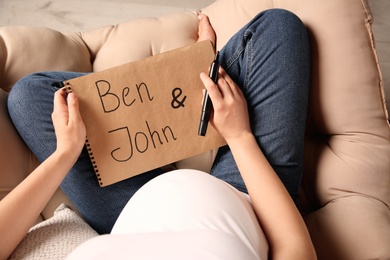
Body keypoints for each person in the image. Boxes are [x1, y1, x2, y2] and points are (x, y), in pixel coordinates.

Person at [1, 9, 316, 259]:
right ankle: (192, 81)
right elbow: (296, 251)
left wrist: (65, 154)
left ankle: (183, 85)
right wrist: (239, 136)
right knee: (276, 29)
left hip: (127, 210)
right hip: (251, 201)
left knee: (31, 97)